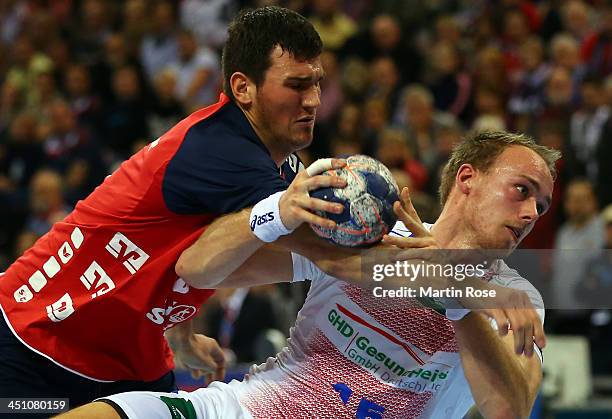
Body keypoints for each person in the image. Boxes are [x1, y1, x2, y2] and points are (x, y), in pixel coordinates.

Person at [58, 131, 560, 418]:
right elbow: (195, 265)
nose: (534, 210)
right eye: (522, 189)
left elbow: (509, 410)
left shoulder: (517, 297)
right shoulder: (364, 232)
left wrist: (458, 296)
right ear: (468, 178)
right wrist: (276, 211)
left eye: (542, 202)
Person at [0, 6, 345, 410]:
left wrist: (180, 332)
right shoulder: (226, 153)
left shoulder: (276, 165)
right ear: (243, 87)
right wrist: (434, 269)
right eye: (297, 85)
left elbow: (191, 248)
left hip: (132, 362)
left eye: (317, 83)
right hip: (37, 340)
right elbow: (337, 254)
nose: (314, 100)